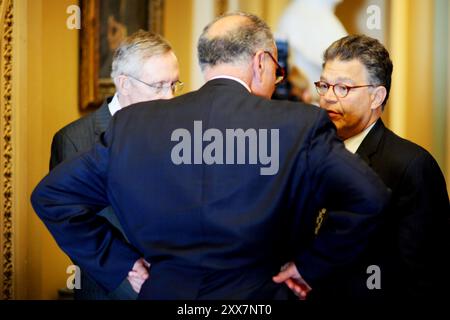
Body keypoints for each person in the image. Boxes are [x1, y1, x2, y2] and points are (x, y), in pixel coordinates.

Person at [32, 12, 389, 300]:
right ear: (261, 62)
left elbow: (51, 198)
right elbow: (369, 197)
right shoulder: (298, 124)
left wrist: (123, 264)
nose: (275, 81)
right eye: (277, 72)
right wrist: (310, 266)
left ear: (206, 62)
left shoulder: (131, 125)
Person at [312, 34, 450, 302]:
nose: (328, 98)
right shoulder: (312, 151)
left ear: (377, 96)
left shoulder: (411, 165)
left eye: (343, 88)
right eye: (324, 85)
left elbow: (424, 275)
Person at [49, 30, 181, 300]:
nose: (169, 97)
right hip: (113, 290)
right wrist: (131, 273)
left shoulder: (178, 132)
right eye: (158, 86)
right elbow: (74, 226)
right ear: (124, 83)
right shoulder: (74, 140)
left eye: (174, 85)